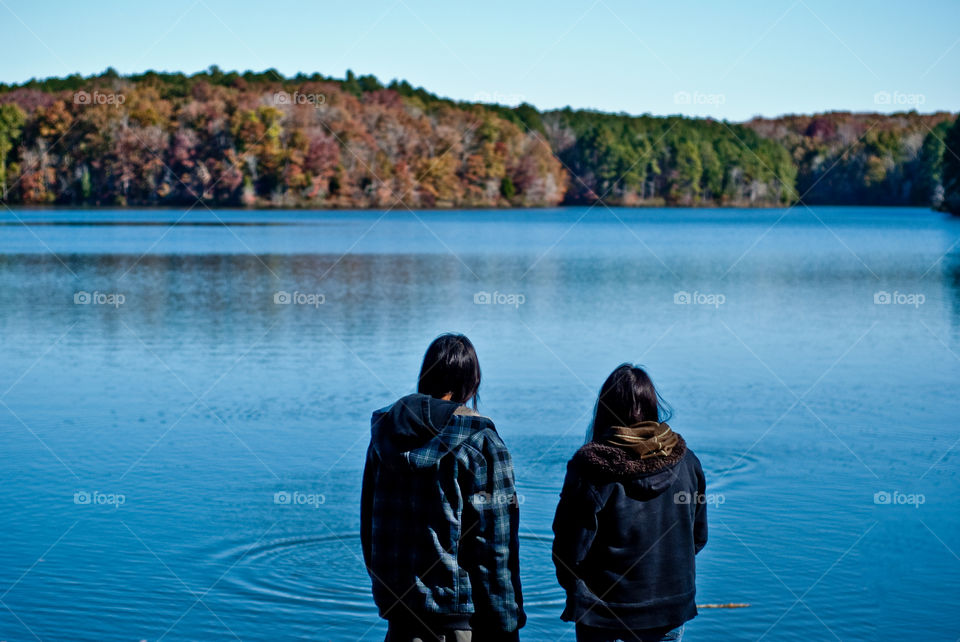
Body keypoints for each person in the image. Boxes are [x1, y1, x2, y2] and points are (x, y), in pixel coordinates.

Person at [361, 333, 525, 642]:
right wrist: (506, 621)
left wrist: (387, 591)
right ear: (472, 383)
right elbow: (494, 543)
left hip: (400, 612)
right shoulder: (482, 443)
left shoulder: (384, 436)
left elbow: (368, 524)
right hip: (458, 620)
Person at [552, 364, 707, 642]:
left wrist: (575, 588)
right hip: (668, 609)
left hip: (601, 613)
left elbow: (569, 548)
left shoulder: (591, 468)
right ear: (652, 407)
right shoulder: (688, 463)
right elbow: (697, 538)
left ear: (604, 409)